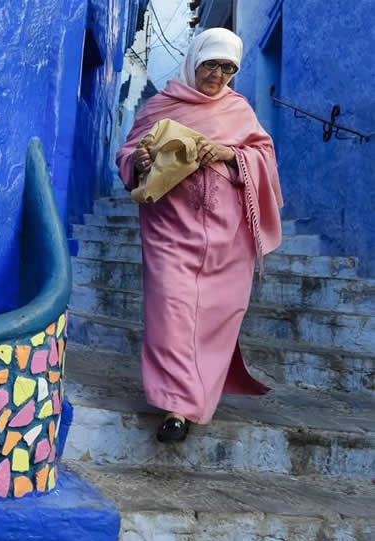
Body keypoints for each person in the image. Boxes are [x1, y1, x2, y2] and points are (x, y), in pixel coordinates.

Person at [115, 28, 284, 442]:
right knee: (170, 312)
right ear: (195, 61)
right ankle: (175, 404)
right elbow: (128, 153)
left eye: (228, 68)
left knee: (218, 317)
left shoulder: (240, 110)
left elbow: (264, 156)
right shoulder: (161, 105)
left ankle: (188, 407)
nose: (218, 75)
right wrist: (138, 159)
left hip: (229, 234)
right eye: (212, 64)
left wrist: (229, 153)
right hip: (170, 227)